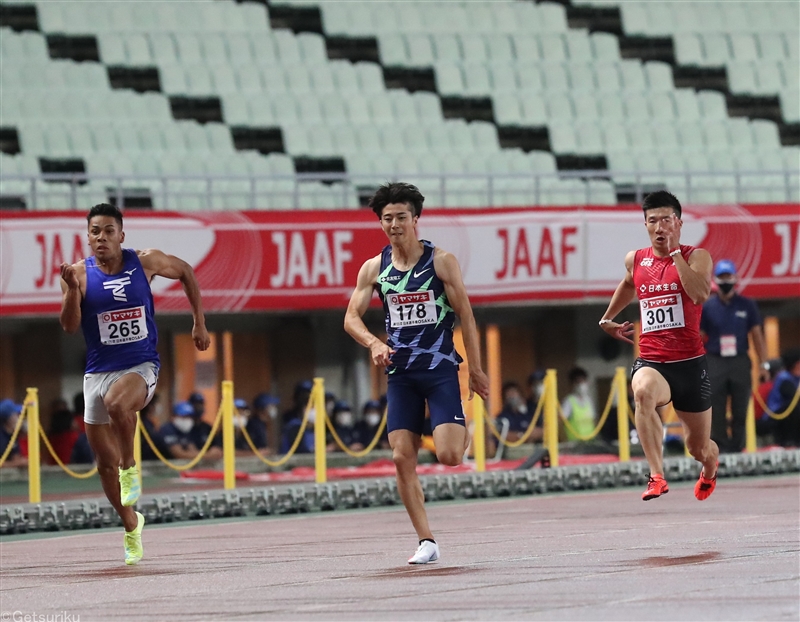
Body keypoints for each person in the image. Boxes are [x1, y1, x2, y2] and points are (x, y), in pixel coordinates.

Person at [344, 182, 490, 564]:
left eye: (401, 217)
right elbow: (350, 318)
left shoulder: (441, 261)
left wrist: (475, 369)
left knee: (449, 456)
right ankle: (426, 540)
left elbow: (467, 316)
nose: (395, 225)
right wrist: (374, 344)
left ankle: (460, 434)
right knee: (400, 457)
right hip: (401, 374)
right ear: (380, 223)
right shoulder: (375, 269)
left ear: (416, 219)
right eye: (387, 218)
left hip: (440, 369)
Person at [59, 202, 210, 565]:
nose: (101, 238)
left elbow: (187, 271)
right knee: (102, 464)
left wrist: (199, 323)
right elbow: (68, 326)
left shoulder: (145, 262)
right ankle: (131, 524)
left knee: (118, 405)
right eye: (95, 231)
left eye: (109, 231)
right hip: (97, 371)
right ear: (88, 236)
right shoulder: (78, 274)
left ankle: (131, 466)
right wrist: (67, 291)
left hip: (141, 365)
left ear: (121, 235)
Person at [598, 190, 719, 502]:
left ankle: (710, 467)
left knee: (698, 448)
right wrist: (607, 318)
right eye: (653, 221)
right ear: (646, 225)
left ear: (678, 222)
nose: (659, 226)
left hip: (690, 364)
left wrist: (675, 253)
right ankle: (656, 475)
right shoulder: (636, 259)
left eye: (666, 219)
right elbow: (628, 283)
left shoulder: (697, 256)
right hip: (653, 361)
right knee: (642, 393)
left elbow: (699, 294)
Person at [700, 259, 769, 453]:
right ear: (715, 280)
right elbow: (699, 335)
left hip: (739, 359)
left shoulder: (747, 305)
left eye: (728, 276)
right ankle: (720, 445)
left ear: (736, 278)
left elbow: (756, 335)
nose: (725, 280)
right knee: (716, 404)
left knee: (741, 405)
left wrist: (764, 364)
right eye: (721, 277)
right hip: (715, 359)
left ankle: (738, 446)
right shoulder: (708, 307)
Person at [767, 349, 800, 448]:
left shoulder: (796, 378)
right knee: (795, 408)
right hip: (777, 417)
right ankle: (790, 441)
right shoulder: (784, 378)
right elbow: (794, 397)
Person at [560, 367, 597, 442]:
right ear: (572, 384)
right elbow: (560, 422)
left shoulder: (589, 401)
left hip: (590, 442)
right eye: (578, 382)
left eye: (583, 381)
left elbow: (594, 421)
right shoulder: (569, 401)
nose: (581, 385)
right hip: (574, 443)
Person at [0, 399, 26, 468]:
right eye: (17, 415)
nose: (21, 418)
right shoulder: (1, 437)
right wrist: (16, 464)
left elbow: (15, 456)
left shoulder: (13, 435)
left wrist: (23, 461)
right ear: (9, 419)